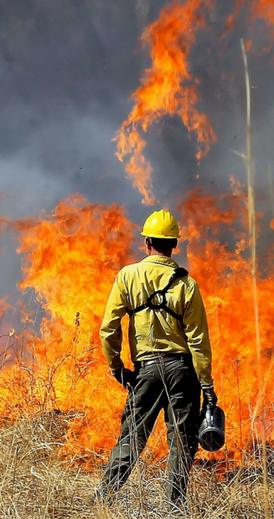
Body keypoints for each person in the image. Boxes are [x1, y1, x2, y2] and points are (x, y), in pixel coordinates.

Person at [95, 209, 217, 510]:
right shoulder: (187, 284)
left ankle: (102, 502)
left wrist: (116, 367)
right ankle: (175, 508)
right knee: (182, 442)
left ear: (147, 242)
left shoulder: (128, 276)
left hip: (146, 372)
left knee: (131, 439)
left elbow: (108, 328)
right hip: (182, 372)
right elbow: (198, 341)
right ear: (173, 244)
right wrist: (207, 384)